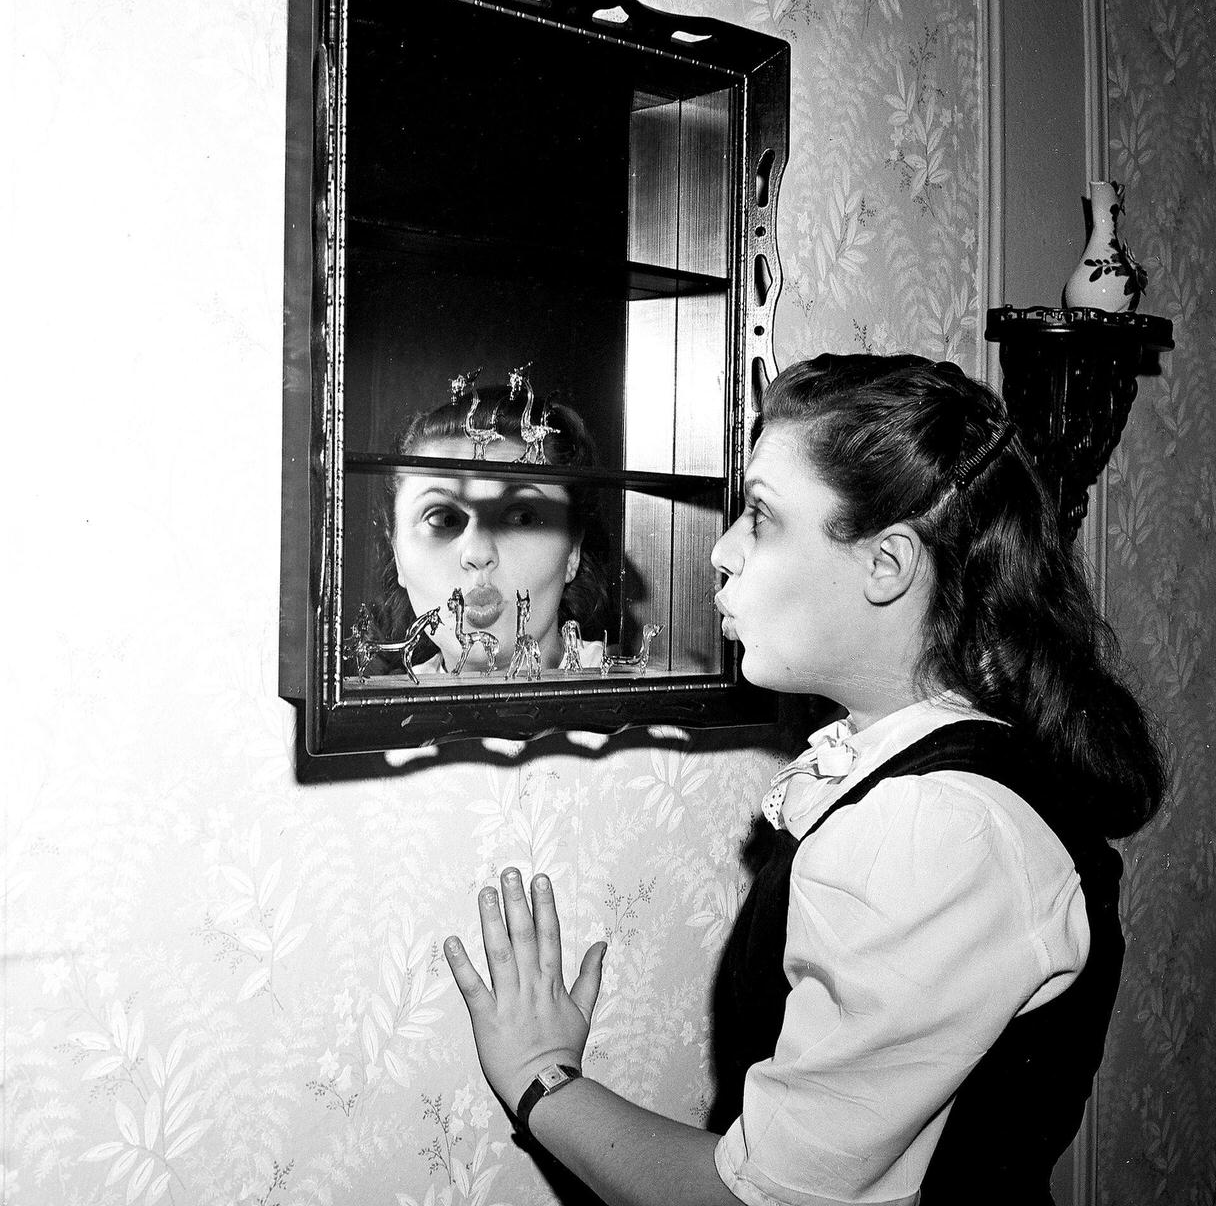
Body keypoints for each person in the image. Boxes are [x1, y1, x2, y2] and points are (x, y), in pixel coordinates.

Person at [443, 353, 1166, 1206]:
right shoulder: (942, 772)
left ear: (886, 565)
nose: (721, 551)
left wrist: (541, 1079)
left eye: (761, 516)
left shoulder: (932, 830)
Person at [365, 383, 610, 675]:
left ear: (573, 550)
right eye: (444, 519)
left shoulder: (643, 707)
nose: (479, 554)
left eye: (521, 517)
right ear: (397, 556)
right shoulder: (383, 712)